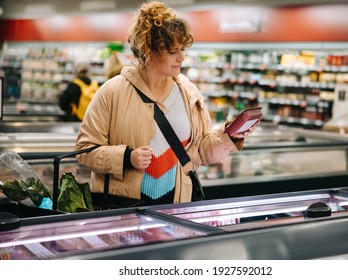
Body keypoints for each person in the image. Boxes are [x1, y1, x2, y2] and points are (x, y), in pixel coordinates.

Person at [75, 1, 260, 205]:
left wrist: (228, 136)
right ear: (148, 51)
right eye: (173, 51)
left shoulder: (189, 93)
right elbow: (85, 150)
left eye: (182, 50)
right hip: (124, 208)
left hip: (176, 205)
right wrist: (127, 157)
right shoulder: (112, 92)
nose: (181, 58)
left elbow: (200, 152)